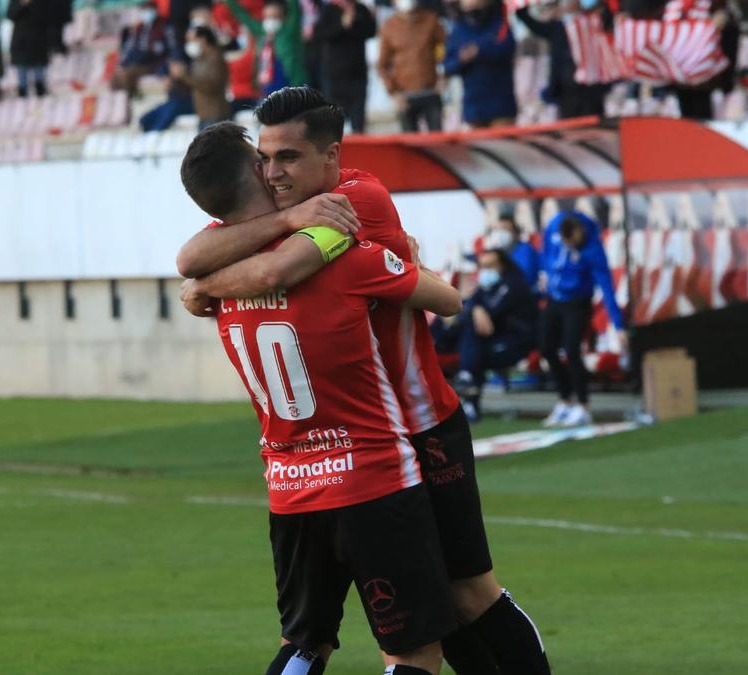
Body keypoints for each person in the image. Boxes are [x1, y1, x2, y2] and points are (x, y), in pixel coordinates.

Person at [177, 87, 551, 675]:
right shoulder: (287, 216)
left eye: (289, 158)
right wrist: (225, 261)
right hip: (366, 449)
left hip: (420, 426)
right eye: (266, 158)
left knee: (465, 595)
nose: (274, 173)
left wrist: (206, 286)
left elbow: (275, 267)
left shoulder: (355, 199)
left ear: (332, 158)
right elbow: (194, 254)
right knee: (418, 626)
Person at [539, 212, 624, 428]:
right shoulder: (554, 228)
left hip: (577, 303)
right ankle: (565, 401)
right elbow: (546, 256)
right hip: (554, 299)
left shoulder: (593, 249)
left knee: (572, 349)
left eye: (574, 241)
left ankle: (584, 406)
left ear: (580, 233)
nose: (571, 246)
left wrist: (618, 323)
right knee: (546, 348)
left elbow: (606, 286)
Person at [448, 247, 539, 422]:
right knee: (472, 343)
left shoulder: (514, 284)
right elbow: (471, 303)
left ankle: (469, 398)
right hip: (496, 341)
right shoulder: (487, 286)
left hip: (519, 343)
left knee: (474, 354)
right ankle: (469, 399)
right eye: (482, 266)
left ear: (502, 265)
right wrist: (475, 308)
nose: (485, 270)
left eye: (490, 265)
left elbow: (492, 311)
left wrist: (475, 309)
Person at [515, 0, 609, 119]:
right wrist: (521, 6)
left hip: (593, 88)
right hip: (566, 91)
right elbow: (531, 23)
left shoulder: (595, 23)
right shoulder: (558, 28)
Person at [444, 0, 517, 129]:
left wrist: (479, 51)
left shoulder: (499, 24)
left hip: (501, 105)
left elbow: (507, 48)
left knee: (501, 147)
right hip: (474, 107)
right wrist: (462, 59)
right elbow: (449, 65)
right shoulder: (458, 30)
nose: (472, 6)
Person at [378, 0, 448, 133]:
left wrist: (444, 76)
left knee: (437, 143)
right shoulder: (389, 26)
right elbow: (382, 65)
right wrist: (394, 93)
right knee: (410, 147)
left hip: (431, 93)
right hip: (405, 97)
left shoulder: (431, 20)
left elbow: (448, 48)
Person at [314, 0, 376, 134]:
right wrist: (342, 25)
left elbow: (371, 31)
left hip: (357, 74)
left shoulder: (360, 9)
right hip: (334, 75)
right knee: (332, 124)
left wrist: (357, 22)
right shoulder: (329, 10)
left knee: (358, 123)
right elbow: (320, 34)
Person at [226, 0, 309, 96]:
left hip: (292, 89)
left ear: (284, 18)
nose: (270, 21)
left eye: (275, 17)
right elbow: (242, 15)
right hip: (267, 91)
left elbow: (295, 10)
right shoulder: (261, 32)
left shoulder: (289, 32)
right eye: (267, 17)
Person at [173, 26, 231, 130]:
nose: (189, 44)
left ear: (203, 40)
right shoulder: (199, 59)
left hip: (215, 116)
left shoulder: (215, 58)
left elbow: (211, 86)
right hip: (204, 115)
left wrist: (185, 75)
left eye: (191, 40)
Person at [111, 2, 173, 98]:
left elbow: (168, 48)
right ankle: (118, 104)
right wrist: (122, 64)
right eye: (144, 11)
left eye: (149, 11)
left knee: (128, 74)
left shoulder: (163, 26)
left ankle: (130, 100)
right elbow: (130, 47)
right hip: (137, 61)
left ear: (156, 11)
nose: (146, 14)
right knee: (115, 76)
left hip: (153, 63)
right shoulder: (139, 28)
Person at [8, 0, 51, 98]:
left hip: (38, 39)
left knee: (38, 67)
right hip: (21, 39)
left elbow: (46, 15)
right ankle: (22, 90)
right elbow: (10, 15)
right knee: (21, 68)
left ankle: (40, 87)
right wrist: (22, 4)